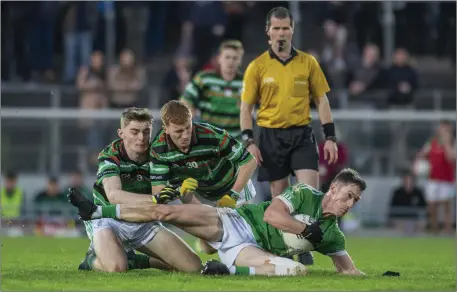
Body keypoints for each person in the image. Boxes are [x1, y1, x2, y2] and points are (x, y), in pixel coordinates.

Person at [69, 168, 366, 277]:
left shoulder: (332, 235)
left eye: (355, 201)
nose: (349, 204)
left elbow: (346, 268)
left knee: (295, 270)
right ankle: (98, 212)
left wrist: (375, 278)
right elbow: (271, 215)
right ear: (334, 189)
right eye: (348, 196)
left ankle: (227, 270)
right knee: (165, 213)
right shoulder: (304, 193)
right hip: (235, 224)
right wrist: (304, 229)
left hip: (249, 250)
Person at [239, 6, 338, 265]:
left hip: (302, 133)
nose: (281, 33)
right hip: (271, 136)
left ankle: (305, 244)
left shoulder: (308, 62)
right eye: (276, 28)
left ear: (292, 30)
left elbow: (321, 99)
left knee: (309, 192)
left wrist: (330, 136)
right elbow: (246, 107)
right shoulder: (257, 67)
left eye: (285, 28)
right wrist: (249, 140)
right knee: (279, 199)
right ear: (268, 32)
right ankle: (288, 247)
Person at [74, 107, 202, 273]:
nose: (141, 138)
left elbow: (183, 191)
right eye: (134, 132)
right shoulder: (110, 156)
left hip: (144, 219)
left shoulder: (160, 153)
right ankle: (91, 259)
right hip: (108, 218)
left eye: (146, 131)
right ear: (121, 133)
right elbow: (114, 196)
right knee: (117, 268)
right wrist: (154, 199)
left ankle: (136, 259)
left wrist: (206, 221)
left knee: (193, 267)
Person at [149, 100, 257, 208]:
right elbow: (158, 193)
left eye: (188, 127)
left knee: (244, 224)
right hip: (203, 196)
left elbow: (249, 161)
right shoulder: (159, 149)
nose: (186, 135)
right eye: (179, 131)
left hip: (235, 189)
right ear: (166, 129)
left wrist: (233, 195)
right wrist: (179, 190)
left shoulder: (212, 136)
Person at [180, 40, 244, 139]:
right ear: (219, 59)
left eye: (235, 58)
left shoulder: (246, 82)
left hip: (234, 142)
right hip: (207, 140)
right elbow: (184, 101)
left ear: (240, 61)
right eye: (227, 57)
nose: (231, 61)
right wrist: (195, 119)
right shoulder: (204, 78)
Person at [416, 120, 456, 234]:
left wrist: (447, 143)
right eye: (442, 129)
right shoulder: (432, 142)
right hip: (433, 179)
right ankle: (435, 229)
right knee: (432, 206)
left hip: (446, 180)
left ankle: (448, 230)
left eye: (447, 130)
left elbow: (451, 159)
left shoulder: (452, 143)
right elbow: (423, 154)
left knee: (446, 206)